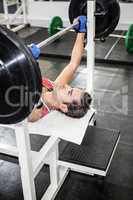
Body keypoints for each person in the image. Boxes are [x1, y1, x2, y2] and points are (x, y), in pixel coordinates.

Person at [28, 16, 92, 122]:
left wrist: (34, 64)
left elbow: (33, 110)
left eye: (69, 92)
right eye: (71, 87)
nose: (66, 85)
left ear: (63, 107)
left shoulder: (38, 112)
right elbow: (73, 64)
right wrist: (81, 31)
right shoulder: (54, 87)